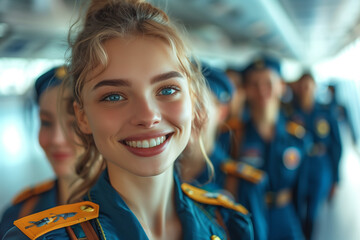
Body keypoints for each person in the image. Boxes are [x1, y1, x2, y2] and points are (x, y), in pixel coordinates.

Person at [3, 1, 254, 239]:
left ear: (193, 99)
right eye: (114, 96)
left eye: (167, 90)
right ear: (82, 117)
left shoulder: (229, 223)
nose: (148, 116)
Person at [222, 57, 308, 240]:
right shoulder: (233, 135)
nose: (261, 90)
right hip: (247, 214)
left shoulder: (296, 136)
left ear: (281, 86)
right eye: (254, 84)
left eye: (268, 83)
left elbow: (301, 187)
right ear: (246, 90)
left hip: (284, 213)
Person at [0, 66, 82, 239]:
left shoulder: (132, 213)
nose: (56, 139)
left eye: (74, 124)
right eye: (46, 123)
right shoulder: (20, 213)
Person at [290, 73, 342, 240]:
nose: (305, 90)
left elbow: (336, 146)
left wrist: (336, 179)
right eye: (302, 86)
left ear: (314, 87)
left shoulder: (325, 113)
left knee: (313, 210)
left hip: (320, 166)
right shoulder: (291, 112)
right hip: (298, 165)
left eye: (309, 86)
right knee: (297, 205)